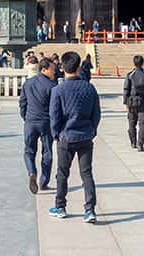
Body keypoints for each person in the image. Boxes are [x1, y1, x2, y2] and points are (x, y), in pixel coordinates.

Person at [48, 51, 101, 224]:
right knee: (86, 173)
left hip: (66, 136)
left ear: (62, 68)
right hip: (85, 135)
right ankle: (90, 210)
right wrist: (92, 130)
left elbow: (54, 116)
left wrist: (56, 134)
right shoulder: (89, 88)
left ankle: (61, 206)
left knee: (62, 173)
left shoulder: (58, 90)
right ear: (79, 67)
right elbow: (96, 114)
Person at [20, 57, 57, 193]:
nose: (55, 71)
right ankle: (43, 181)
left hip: (30, 121)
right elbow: (55, 108)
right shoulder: (52, 87)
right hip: (46, 122)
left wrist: (26, 117)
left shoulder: (28, 83)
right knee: (47, 152)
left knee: (29, 151)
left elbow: (22, 103)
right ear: (44, 69)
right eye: (52, 69)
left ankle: (31, 172)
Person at [123, 54, 144, 151]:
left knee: (132, 124)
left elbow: (126, 89)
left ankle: (133, 142)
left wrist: (125, 102)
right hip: (143, 102)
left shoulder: (130, 75)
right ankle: (140, 144)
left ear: (134, 63)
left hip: (132, 102)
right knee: (142, 124)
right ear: (142, 63)